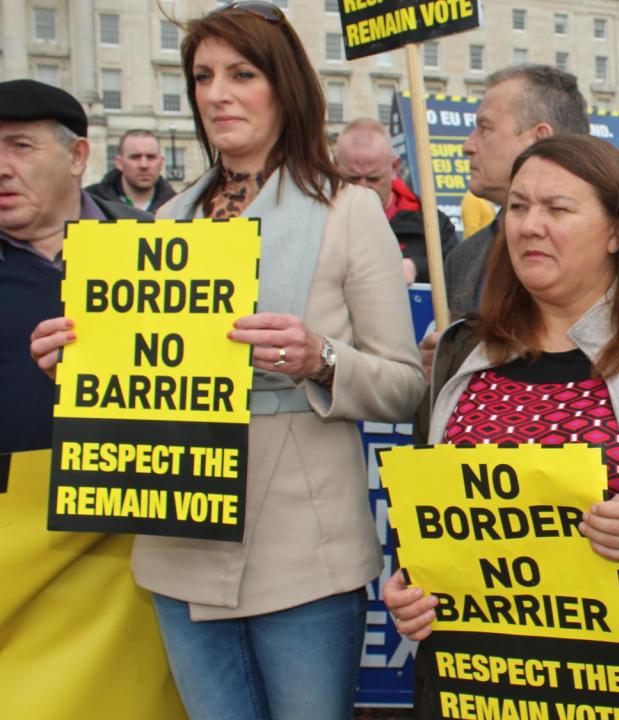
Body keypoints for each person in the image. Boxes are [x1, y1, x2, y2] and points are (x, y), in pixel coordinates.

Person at [30, 5, 426, 718]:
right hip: (179, 528)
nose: (217, 93)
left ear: (286, 87)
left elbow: (404, 386)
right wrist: (82, 369)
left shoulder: (348, 211)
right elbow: (140, 381)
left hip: (304, 549)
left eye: (241, 74)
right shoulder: (164, 222)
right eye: (203, 76)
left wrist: (321, 358)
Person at [386, 135, 619, 720]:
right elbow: (428, 513)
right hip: (481, 685)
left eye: (558, 209)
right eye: (516, 207)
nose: (529, 226)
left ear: (617, 231)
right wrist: (408, 586)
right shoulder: (462, 349)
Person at [442, 64, 619, 316]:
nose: (468, 145)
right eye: (519, 208)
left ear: (540, 138)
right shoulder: (463, 259)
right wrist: (449, 353)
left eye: (485, 128)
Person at [1, 79, 150, 455]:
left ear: (78, 156)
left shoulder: (155, 245)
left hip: (131, 498)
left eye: (20, 146)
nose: (2, 168)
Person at [334, 117, 458, 284]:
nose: (362, 189)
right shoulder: (316, 220)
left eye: (373, 178)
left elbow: (458, 272)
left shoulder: (432, 224)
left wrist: (417, 267)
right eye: (352, 178)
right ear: (335, 167)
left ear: (394, 168)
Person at [85, 129, 178, 213]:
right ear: (119, 163)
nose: (144, 165)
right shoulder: (90, 202)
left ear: (161, 163)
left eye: (151, 157)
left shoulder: (178, 206)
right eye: (135, 157)